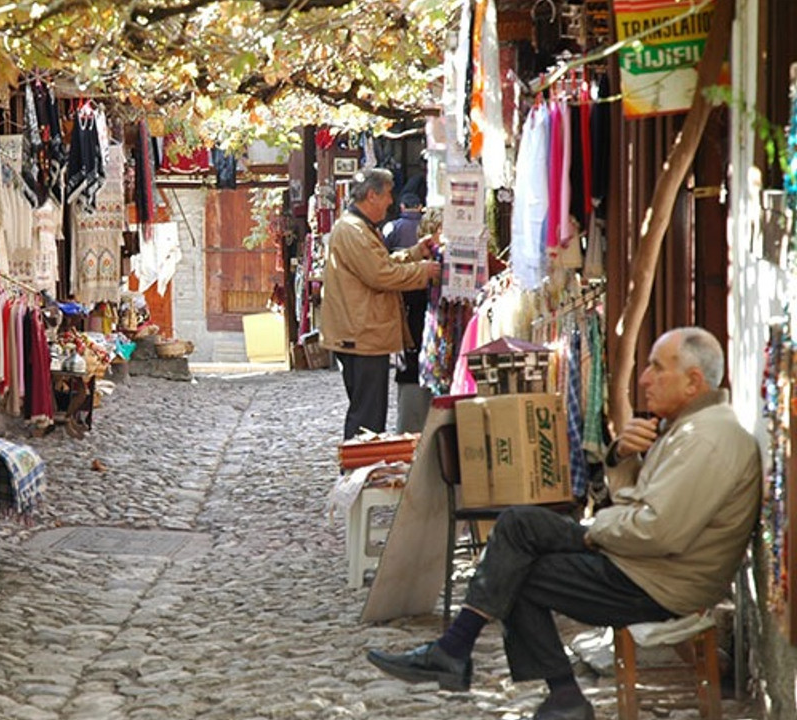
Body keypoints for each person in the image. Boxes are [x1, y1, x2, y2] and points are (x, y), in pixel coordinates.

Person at [364, 327, 762, 720]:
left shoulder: (706, 438)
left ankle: (483, 662)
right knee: (517, 531)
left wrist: (594, 533)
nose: (644, 379)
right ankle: (476, 660)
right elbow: (640, 502)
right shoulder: (690, 429)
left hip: (660, 582)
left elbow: (658, 532)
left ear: (693, 382)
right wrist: (621, 455)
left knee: (514, 561)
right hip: (646, 563)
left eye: (657, 368)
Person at [319, 168, 440, 439]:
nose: (390, 201)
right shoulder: (353, 230)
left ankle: (362, 469)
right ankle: (358, 473)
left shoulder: (360, 228)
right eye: (386, 194)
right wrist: (424, 271)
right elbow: (380, 275)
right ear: (371, 195)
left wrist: (414, 253)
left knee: (369, 412)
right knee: (367, 417)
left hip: (363, 333)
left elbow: (380, 265)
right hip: (360, 335)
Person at [383, 198, 435, 433]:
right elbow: (381, 270)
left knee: (411, 419)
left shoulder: (391, 228)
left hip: (411, 354)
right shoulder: (422, 270)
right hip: (415, 354)